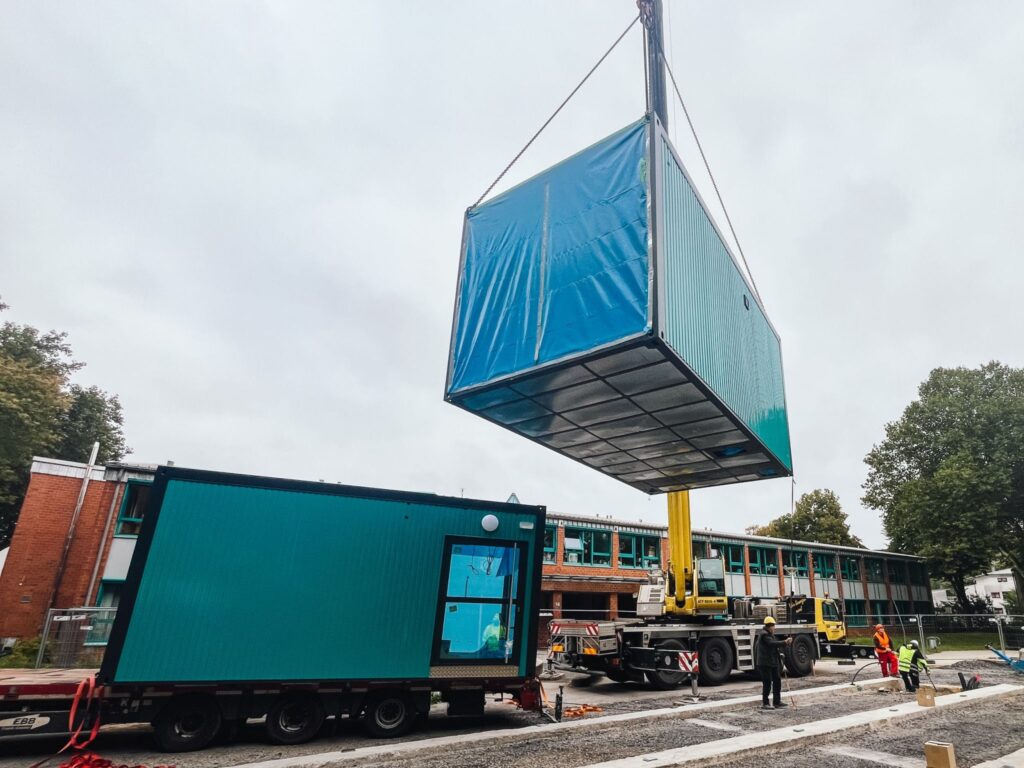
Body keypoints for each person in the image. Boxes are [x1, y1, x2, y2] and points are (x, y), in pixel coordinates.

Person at [756, 616, 793, 710]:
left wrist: (780, 653)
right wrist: (785, 642)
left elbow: (772, 647)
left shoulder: (769, 634)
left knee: (777, 680)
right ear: (770, 626)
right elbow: (772, 644)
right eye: (773, 626)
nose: (774, 628)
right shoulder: (764, 635)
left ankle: (777, 702)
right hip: (765, 663)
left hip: (772, 662)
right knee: (767, 683)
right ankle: (765, 703)